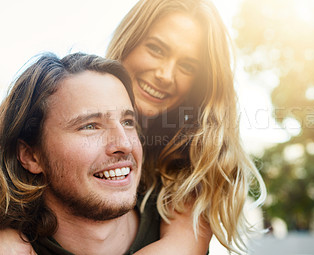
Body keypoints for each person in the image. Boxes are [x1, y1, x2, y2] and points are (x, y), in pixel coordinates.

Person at [1, 0, 266, 254]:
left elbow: (181, 246)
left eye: (187, 66)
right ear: (129, 42)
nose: (165, 74)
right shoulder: (61, 91)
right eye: (157, 49)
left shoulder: (191, 165)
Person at [0, 52, 164, 254]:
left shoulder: (180, 222)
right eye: (90, 126)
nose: (124, 144)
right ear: (31, 156)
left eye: (128, 122)